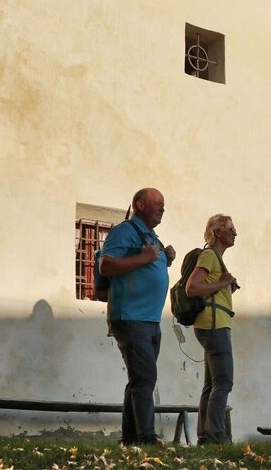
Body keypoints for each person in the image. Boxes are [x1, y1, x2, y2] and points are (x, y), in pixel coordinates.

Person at [99, 188, 176, 446]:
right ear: (139, 205)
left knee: (138, 379)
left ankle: (130, 439)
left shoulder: (150, 235)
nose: (162, 208)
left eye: (164, 205)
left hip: (149, 319)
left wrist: (166, 259)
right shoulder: (124, 231)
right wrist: (145, 257)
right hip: (130, 316)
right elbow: (106, 265)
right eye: (158, 204)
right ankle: (146, 438)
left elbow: (148, 265)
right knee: (144, 378)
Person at [185, 214, 238, 444]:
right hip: (215, 326)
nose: (235, 233)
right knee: (224, 382)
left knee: (212, 384)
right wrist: (222, 283)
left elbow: (208, 287)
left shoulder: (216, 257)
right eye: (230, 229)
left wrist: (225, 286)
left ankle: (205, 437)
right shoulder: (209, 255)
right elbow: (192, 287)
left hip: (210, 325)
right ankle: (217, 436)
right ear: (217, 232)